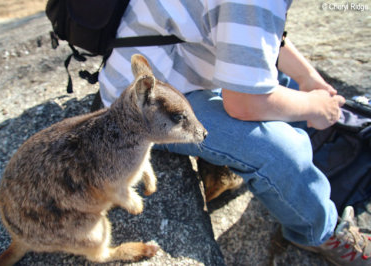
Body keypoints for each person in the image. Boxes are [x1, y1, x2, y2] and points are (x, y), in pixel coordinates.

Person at [98, 0, 371, 264]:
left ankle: (302, 180)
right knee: (282, 150)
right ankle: (316, 232)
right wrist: (314, 107)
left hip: (174, 74)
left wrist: (307, 78)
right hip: (143, 107)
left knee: (289, 93)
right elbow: (244, 104)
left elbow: (255, 31)